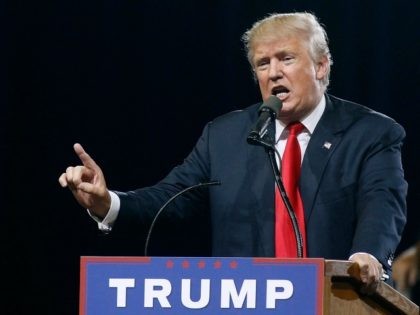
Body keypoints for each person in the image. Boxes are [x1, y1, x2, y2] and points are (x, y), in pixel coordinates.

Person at [59, 12, 407, 292]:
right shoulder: (225, 136)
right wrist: (108, 202)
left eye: (286, 58)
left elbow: (382, 202)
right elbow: (171, 199)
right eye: (262, 63)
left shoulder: (370, 132)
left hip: (337, 299)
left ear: (321, 66)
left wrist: (367, 255)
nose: (273, 73)